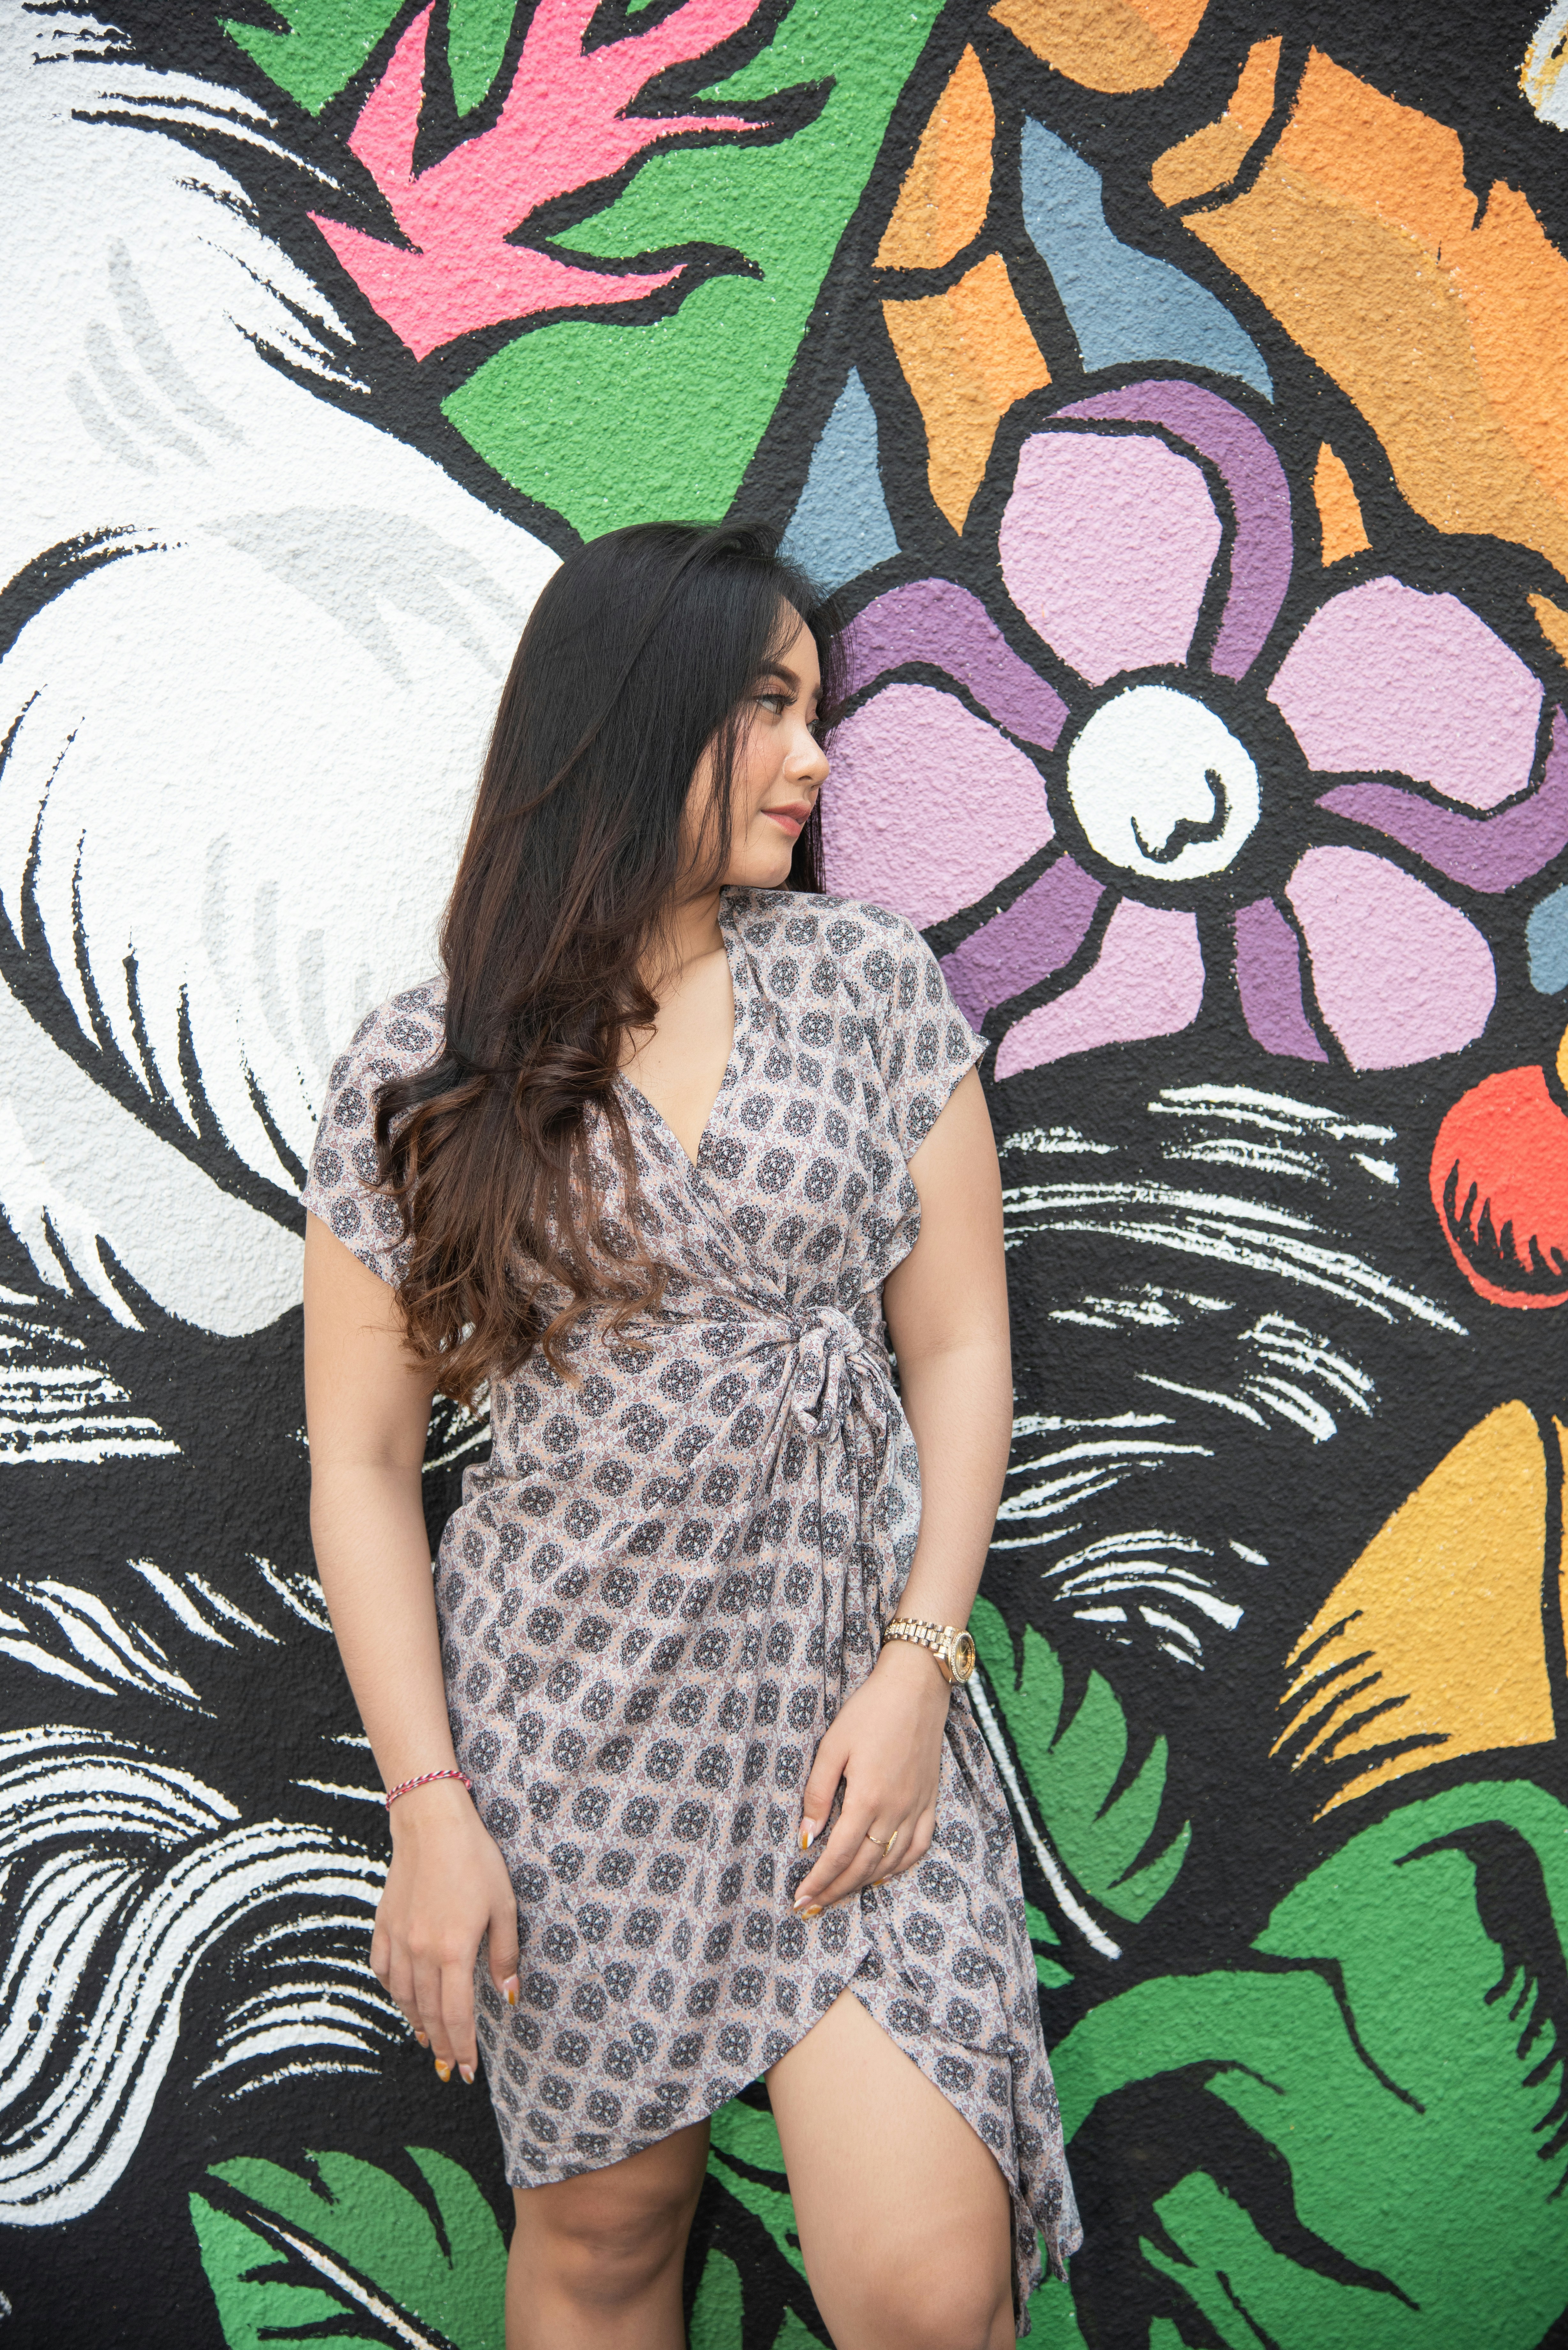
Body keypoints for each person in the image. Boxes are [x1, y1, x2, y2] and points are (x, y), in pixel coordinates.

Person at [302, 521, 1080, 2349]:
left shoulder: (869, 984)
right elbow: (362, 1464)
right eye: (773, 709)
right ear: (640, 718)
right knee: (601, 2244)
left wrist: (920, 1665)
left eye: (819, 711)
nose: (818, 757)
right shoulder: (428, 1068)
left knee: (932, 2292)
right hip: (574, 1730)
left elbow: (961, 1344)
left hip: (853, 1721)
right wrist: (430, 1809)